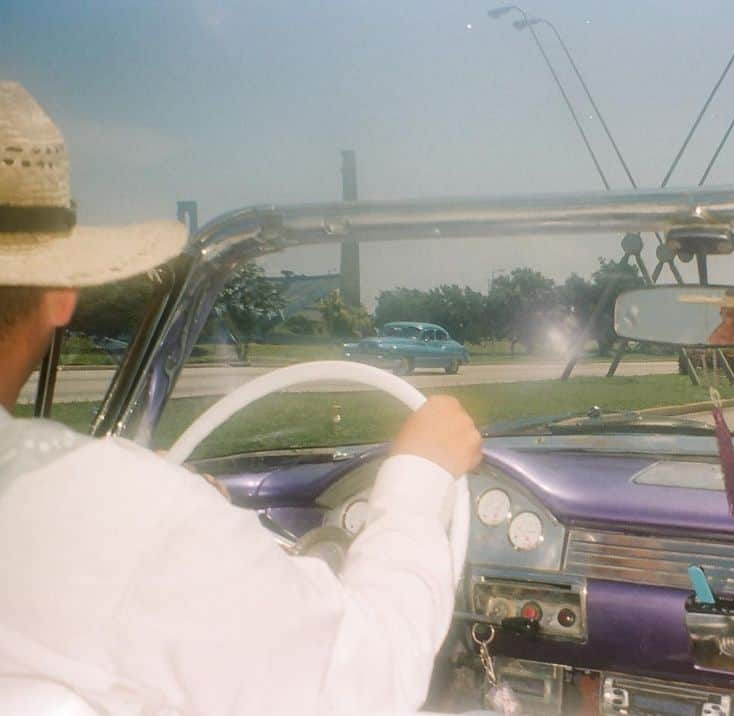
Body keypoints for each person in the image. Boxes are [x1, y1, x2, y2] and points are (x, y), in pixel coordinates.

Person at [0, 81, 483, 714]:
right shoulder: (119, 511)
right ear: (63, 293)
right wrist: (418, 482)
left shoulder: (128, 511)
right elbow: (365, 684)